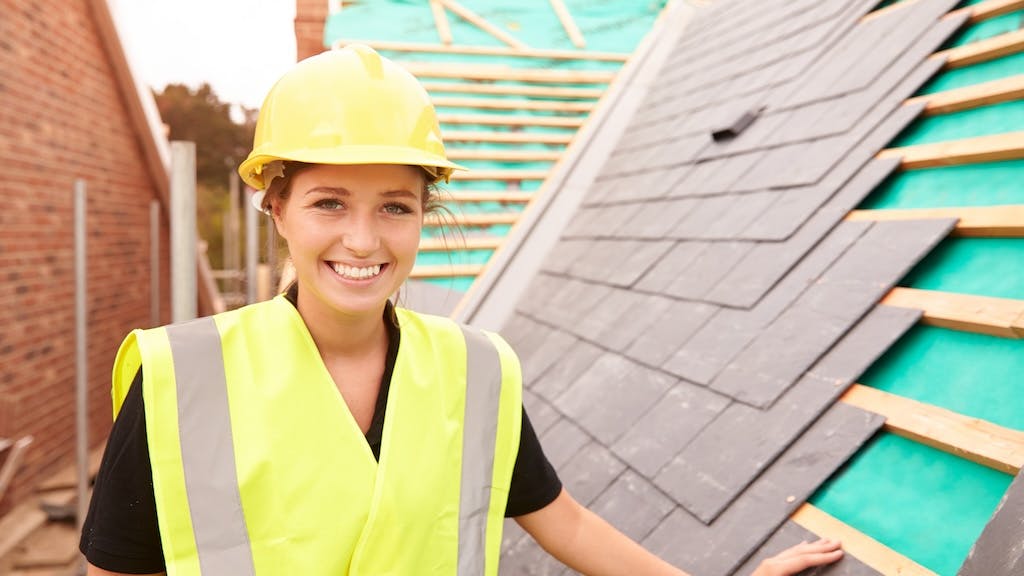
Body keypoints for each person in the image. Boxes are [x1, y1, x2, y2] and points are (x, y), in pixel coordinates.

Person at [80, 45, 844, 576]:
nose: (363, 240)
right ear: (276, 207)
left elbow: (566, 523)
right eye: (329, 202)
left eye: (395, 206)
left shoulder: (474, 372)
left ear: (424, 215)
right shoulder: (182, 378)